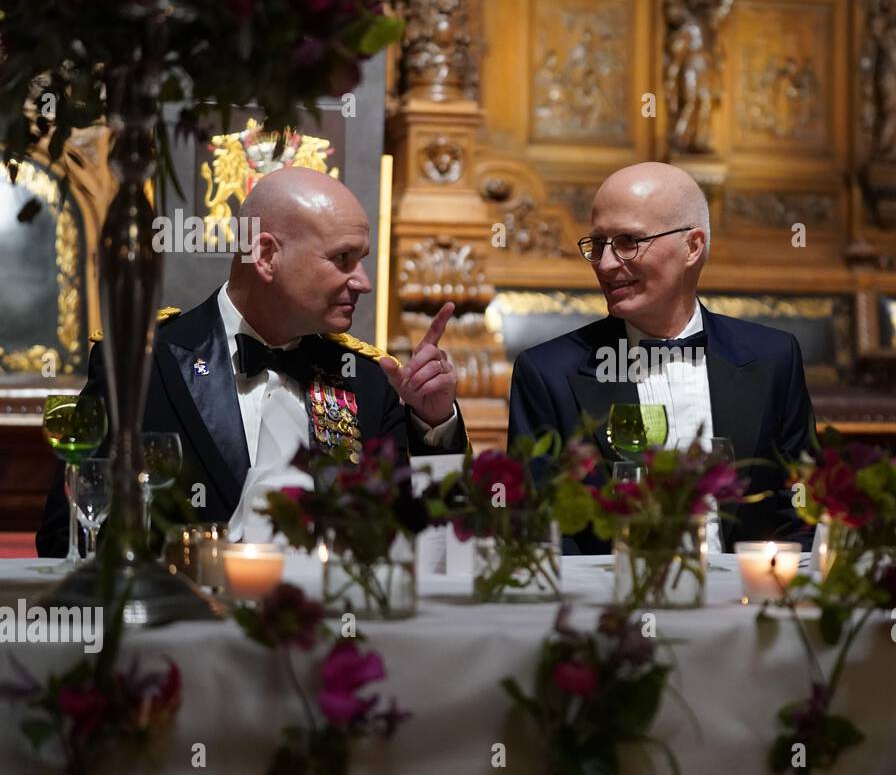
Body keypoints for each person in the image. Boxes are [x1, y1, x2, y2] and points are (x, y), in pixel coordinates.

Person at [37, 167, 467, 556]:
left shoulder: (367, 381)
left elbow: (431, 544)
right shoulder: (140, 365)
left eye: (362, 261)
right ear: (265, 255)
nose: (363, 282)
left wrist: (435, 427)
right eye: (342, 259)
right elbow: (68, 535)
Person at [508, 161, 815, 553]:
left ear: (692, 246)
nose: (604, 264)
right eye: (598, 244)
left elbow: (801, 503)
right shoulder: (547, 374)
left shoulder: (774, 358)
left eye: (627, 242)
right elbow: (539, 528)